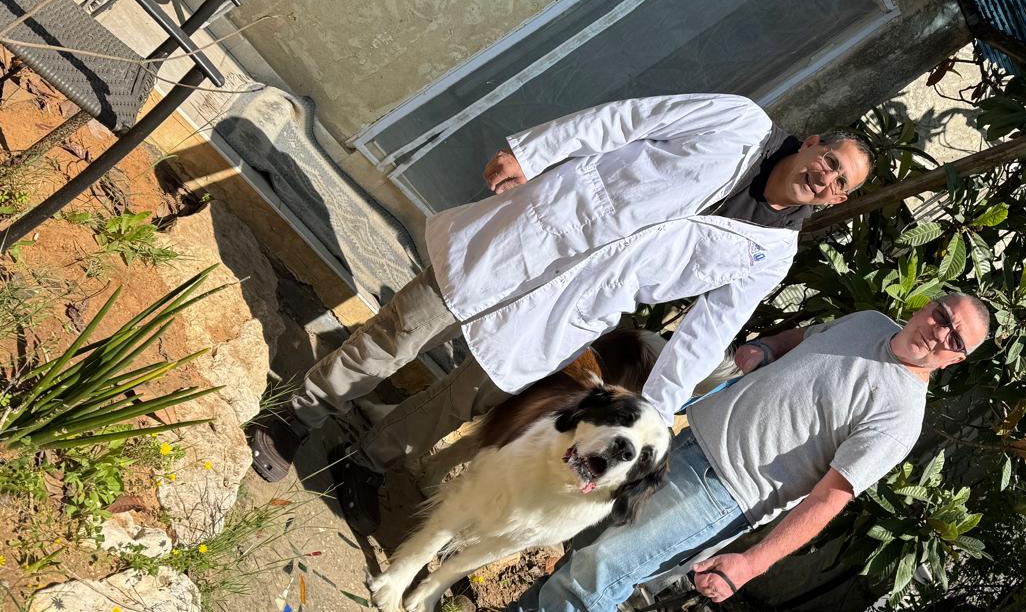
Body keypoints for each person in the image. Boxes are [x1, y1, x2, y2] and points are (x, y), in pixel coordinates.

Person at [247, 93, 872, 531]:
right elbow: (627, 119)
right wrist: (534, 152)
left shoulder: (771, 253)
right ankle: (298, 416)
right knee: (404, 330)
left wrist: (656, 411)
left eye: (841, 184)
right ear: (813, 142)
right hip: (544, 228)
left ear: (838, 199)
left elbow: (710, 330)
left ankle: (368, 458)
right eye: (830, 162)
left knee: (473, 393)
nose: (826, 180)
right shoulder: (740, 122)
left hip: (583, 302)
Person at [394, 292, 992, 612]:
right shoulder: (868, 322)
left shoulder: (900, 417)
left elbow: (830, 497)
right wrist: (763, 350)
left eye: (955, 338)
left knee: (602, 572)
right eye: (943, 315)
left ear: (956, 359)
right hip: (682, 443)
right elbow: (803, 339)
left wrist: (751, 564)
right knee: (586, 545)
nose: (940, 332)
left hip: (721, 493)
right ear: (929, 304)